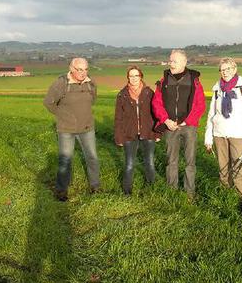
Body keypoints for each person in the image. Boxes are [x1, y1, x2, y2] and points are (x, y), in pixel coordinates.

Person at [43, 57, 100, 201]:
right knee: (65, 160)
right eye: (80, 69)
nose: (83, 72)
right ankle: (61, 190)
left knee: (92, 158)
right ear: (71, 69)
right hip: (66, 129)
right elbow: (49, 103)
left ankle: (95, 187)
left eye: (86, 69)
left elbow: (93, 99)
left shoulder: (90, 83)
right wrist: (64, 115)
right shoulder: (61, 83)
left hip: (87, 127)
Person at [152, 49, 206, 201]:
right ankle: (172, 191)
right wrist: (166, 120)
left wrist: (186, 121)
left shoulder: (194, 80)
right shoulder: (164, 81)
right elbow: (157, 103)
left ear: (184, 62)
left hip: (189, 127)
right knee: (171, 161)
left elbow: (200, 105)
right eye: (170, 60)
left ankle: (189, 193)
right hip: (170, 127)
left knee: (190, 162)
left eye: (175, 61)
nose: (171, 63)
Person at [204, 57, 242, 203]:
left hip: (239, 135)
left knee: (239, 169)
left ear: (234, 69)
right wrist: (208, 138)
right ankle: (226, 196)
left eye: (227, 69)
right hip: (219, 134)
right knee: (223, 169)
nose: (224, 72)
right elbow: (211, 115)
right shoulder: (216, 89)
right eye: (221, 70)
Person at [114, 65, 161, 195]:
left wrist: (157, 132)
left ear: (141, 76)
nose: (134, 78)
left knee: (149, 163)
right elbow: (118, 117)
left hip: (148, 132)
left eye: (136, 75)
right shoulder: (122, 94)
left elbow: (156, 113)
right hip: (129, 134)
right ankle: (127, 192)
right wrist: (119, 137)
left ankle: (151, 189)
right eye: (131, 76)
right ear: (128, 77)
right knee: (129, 164)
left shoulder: (148, 92)